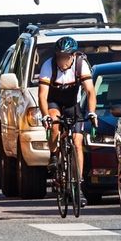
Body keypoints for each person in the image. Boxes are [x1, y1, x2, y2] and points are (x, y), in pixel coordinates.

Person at [37, 37, 98, 203]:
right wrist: (45, 116)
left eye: (65, 56)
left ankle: (77, 185)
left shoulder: (81, 65)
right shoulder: (48, 66)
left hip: (72, 104)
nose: (61, 60)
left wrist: (92, 113)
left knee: (78, 143)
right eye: (59, 56)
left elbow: (91, 92)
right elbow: (42, 95)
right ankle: (54, 155)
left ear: (73, 56)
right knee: (54, 124)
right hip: (53, 101)